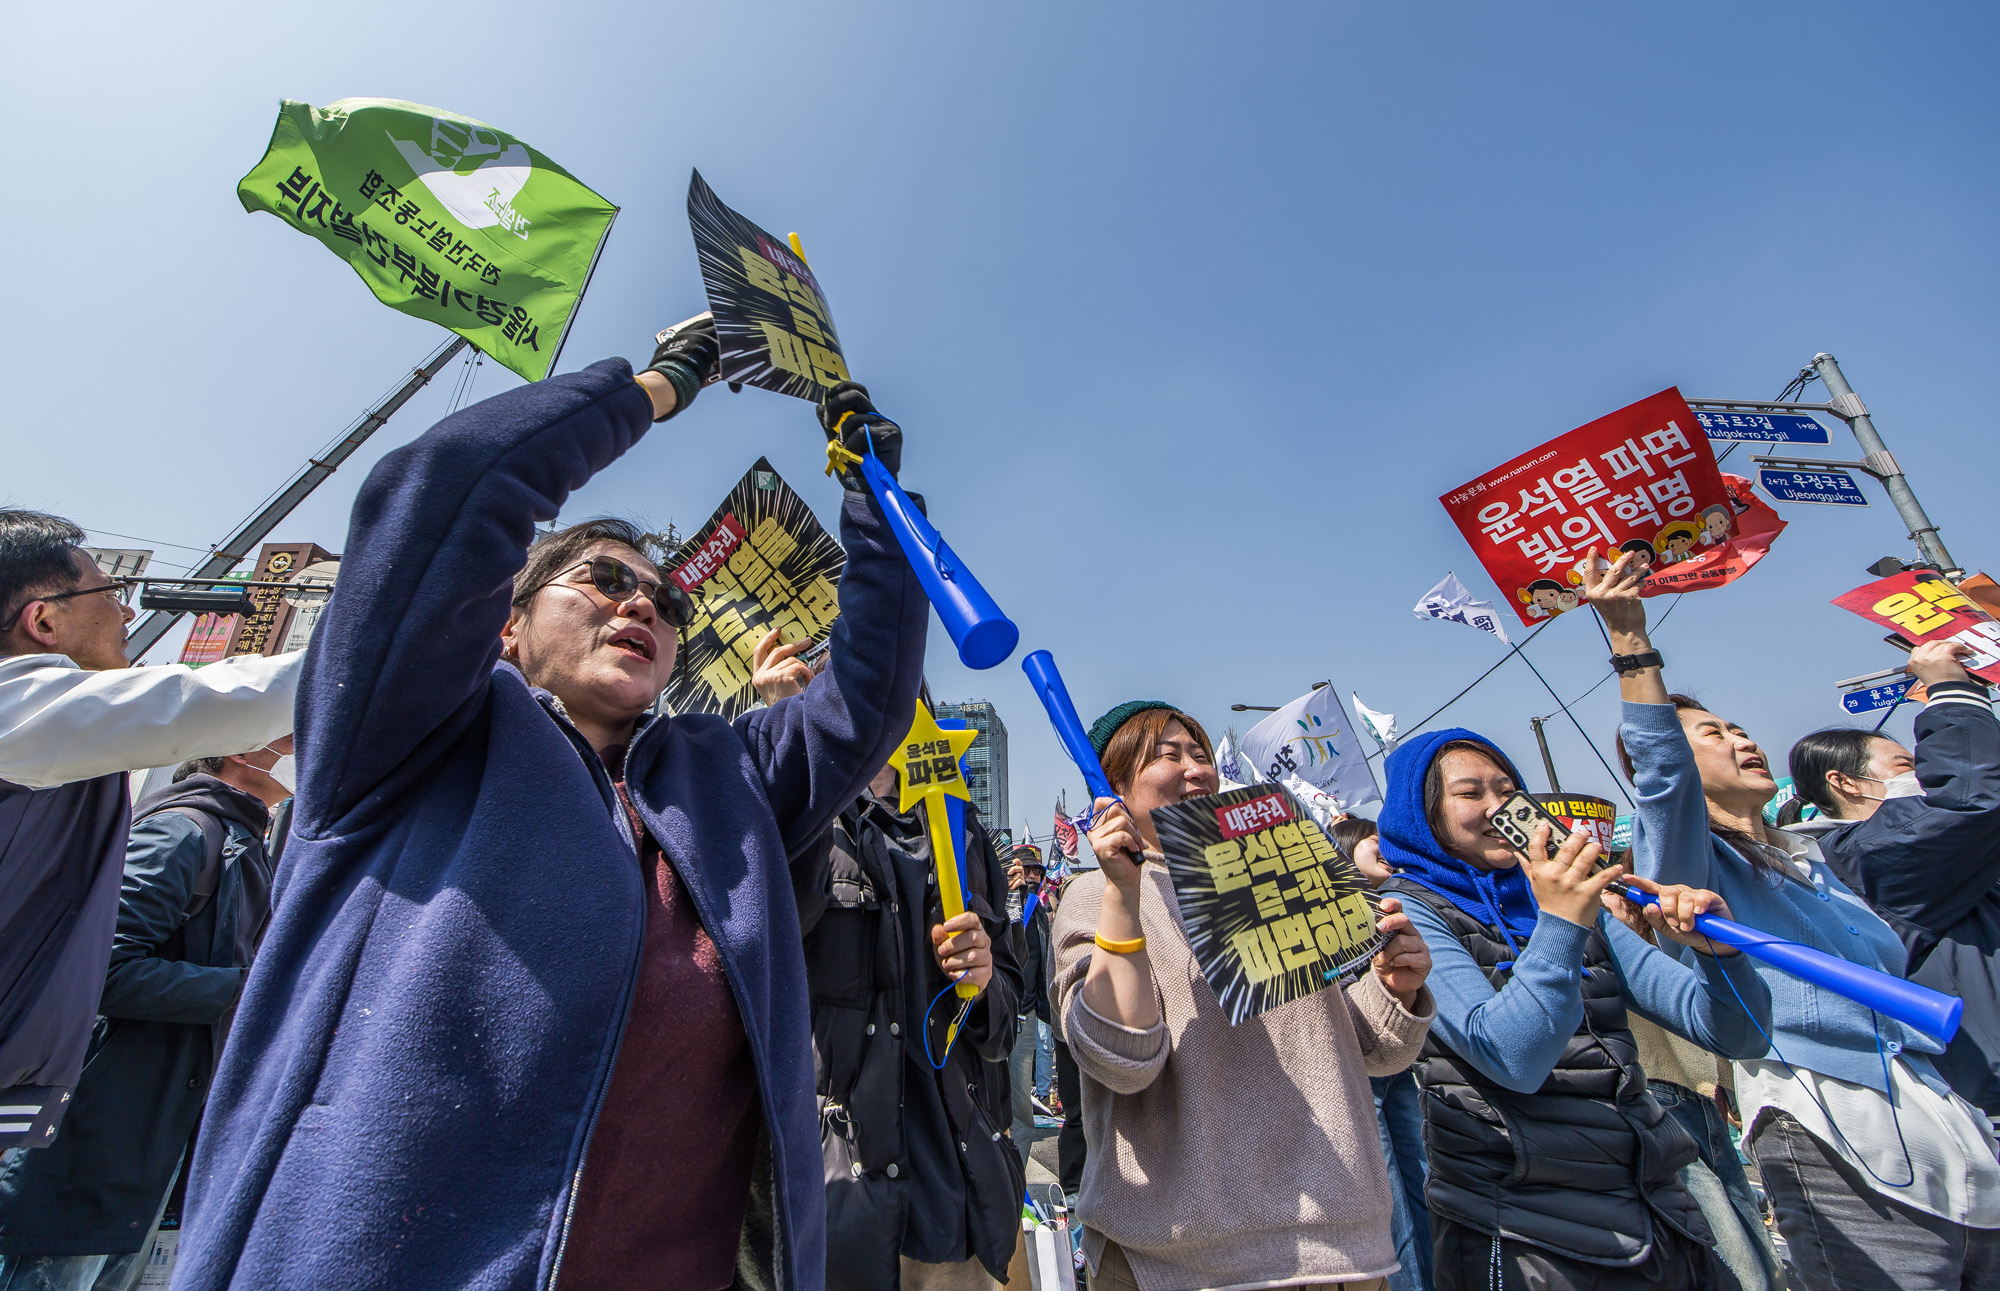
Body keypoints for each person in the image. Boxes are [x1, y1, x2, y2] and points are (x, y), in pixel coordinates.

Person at [172, 318, 931, 1291]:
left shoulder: (728, 770)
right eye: (606, 579)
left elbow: (870, 691)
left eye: (666, 604)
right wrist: (658, 383)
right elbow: (446, 488)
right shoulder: (408, 729)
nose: (643, 607)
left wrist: (873, 488)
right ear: (506, 622)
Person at [1589, 548, 2000, 1290]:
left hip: (1946, 1127)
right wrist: (1628, 639)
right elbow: (1662, 771)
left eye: (1738, 726)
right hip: (1837, 1132)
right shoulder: (1690, 867)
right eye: (1711, 733)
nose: (1741, 738)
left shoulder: (1819, 864)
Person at [1053, 701, 1436, 1290]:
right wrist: (1122, 893)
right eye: (1167, 755)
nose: (1195, 769)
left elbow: (1379, 1052)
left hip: (1344, 1248)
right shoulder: (1092, 896)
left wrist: (1397, 986)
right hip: (1181, 1262)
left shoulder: (1288, 869)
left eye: (1201, 754)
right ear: (1114, 787)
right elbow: (1122, 1062)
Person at [1377, 727, 1770, 1291]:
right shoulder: (1408, 911)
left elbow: (1737, 1036)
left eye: (1508, 789)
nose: (1497, 807)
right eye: (1470, 794)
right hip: (1524, 1233)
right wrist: (1561, 922)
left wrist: (1722, 956)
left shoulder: (1571, 899)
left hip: (1657, 1211)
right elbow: (1512, 1058)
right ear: (1422, 814)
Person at [0, 511, 299, 1154]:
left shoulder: (53, 740)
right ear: (43, 620)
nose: (128, 615)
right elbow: (207, 701)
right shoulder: (13, 708)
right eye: (112, 596)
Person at [0, 740, 291, 1289]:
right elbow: (100, 970)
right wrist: (252, 991)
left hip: (140, 1157)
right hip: (86, 1150)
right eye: (291, 735)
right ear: (239, 752)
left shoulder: (248, 843)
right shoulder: (183, 831)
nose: (309, 745)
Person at [799, 755, 1024, 1290]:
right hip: (832, 1192)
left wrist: (985, 980)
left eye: (897, 682)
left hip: (952, 1197)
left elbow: (1006, 1021)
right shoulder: (799, 815)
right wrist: (795, 762)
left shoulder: (963, 829)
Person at [1785, 648, 2000, 1126]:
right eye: (1907, 766)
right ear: (1845, 783)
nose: (1923, 778)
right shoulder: (1865, 854)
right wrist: (1952, 691)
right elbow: (1970, 801)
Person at [1331, 816, 1431, 1291]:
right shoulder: (1320, 906)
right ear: (1345, 851)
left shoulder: (1400, 905)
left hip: (1401, 1062)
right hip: (1357, 1071)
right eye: (1373, 839)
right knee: (1386, 1196)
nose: (1384, 846)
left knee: (1422, 1182)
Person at [1008, 846, 1056, 1161]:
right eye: (1028, 869)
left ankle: (1017, 1179)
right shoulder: (1004, 903)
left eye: (1037, 870)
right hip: (998, 1014)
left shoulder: (1038, 911)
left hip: (1025, 1018)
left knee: (1021, 1106)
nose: (1033, 875)